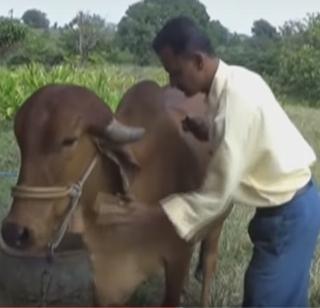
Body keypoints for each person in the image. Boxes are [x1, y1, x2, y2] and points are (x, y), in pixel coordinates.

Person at [105, 16, 320, 306]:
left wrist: (152, 214)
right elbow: (245, 130)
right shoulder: (237, 79)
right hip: (291, 209)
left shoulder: (236, 98)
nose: (173, 83)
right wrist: (208, 129)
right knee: (285, 298)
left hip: (289, 214)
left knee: (264, 299)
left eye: (176, 73)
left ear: (197, 60)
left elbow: (217, 196)